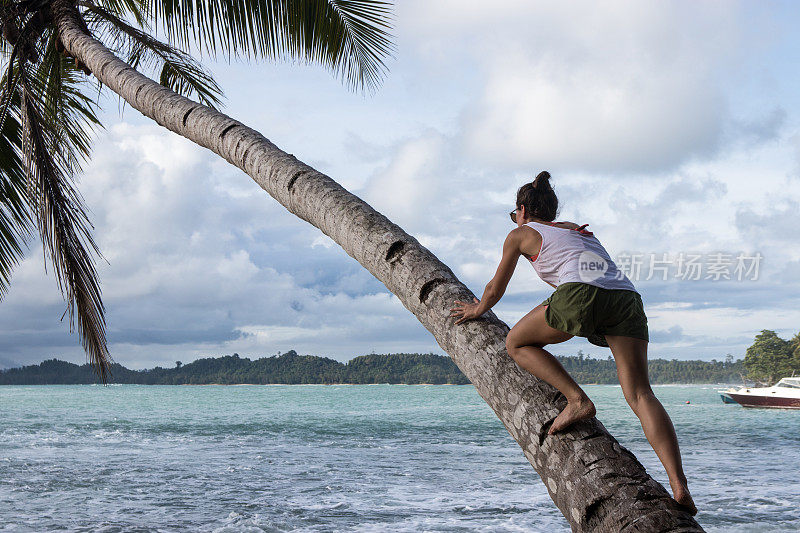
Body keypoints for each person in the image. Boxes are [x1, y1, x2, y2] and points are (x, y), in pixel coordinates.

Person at [449, 171, 697, 515]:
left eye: (513, 214)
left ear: (521, 210)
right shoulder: (574, 229)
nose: (514, 220)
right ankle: (679, 486)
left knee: (517, 342)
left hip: (582, 292)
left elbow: (495, 289)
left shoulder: (520, 233)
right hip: (626, 298)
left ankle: (576, 399)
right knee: (641, 394)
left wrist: (477, 309)